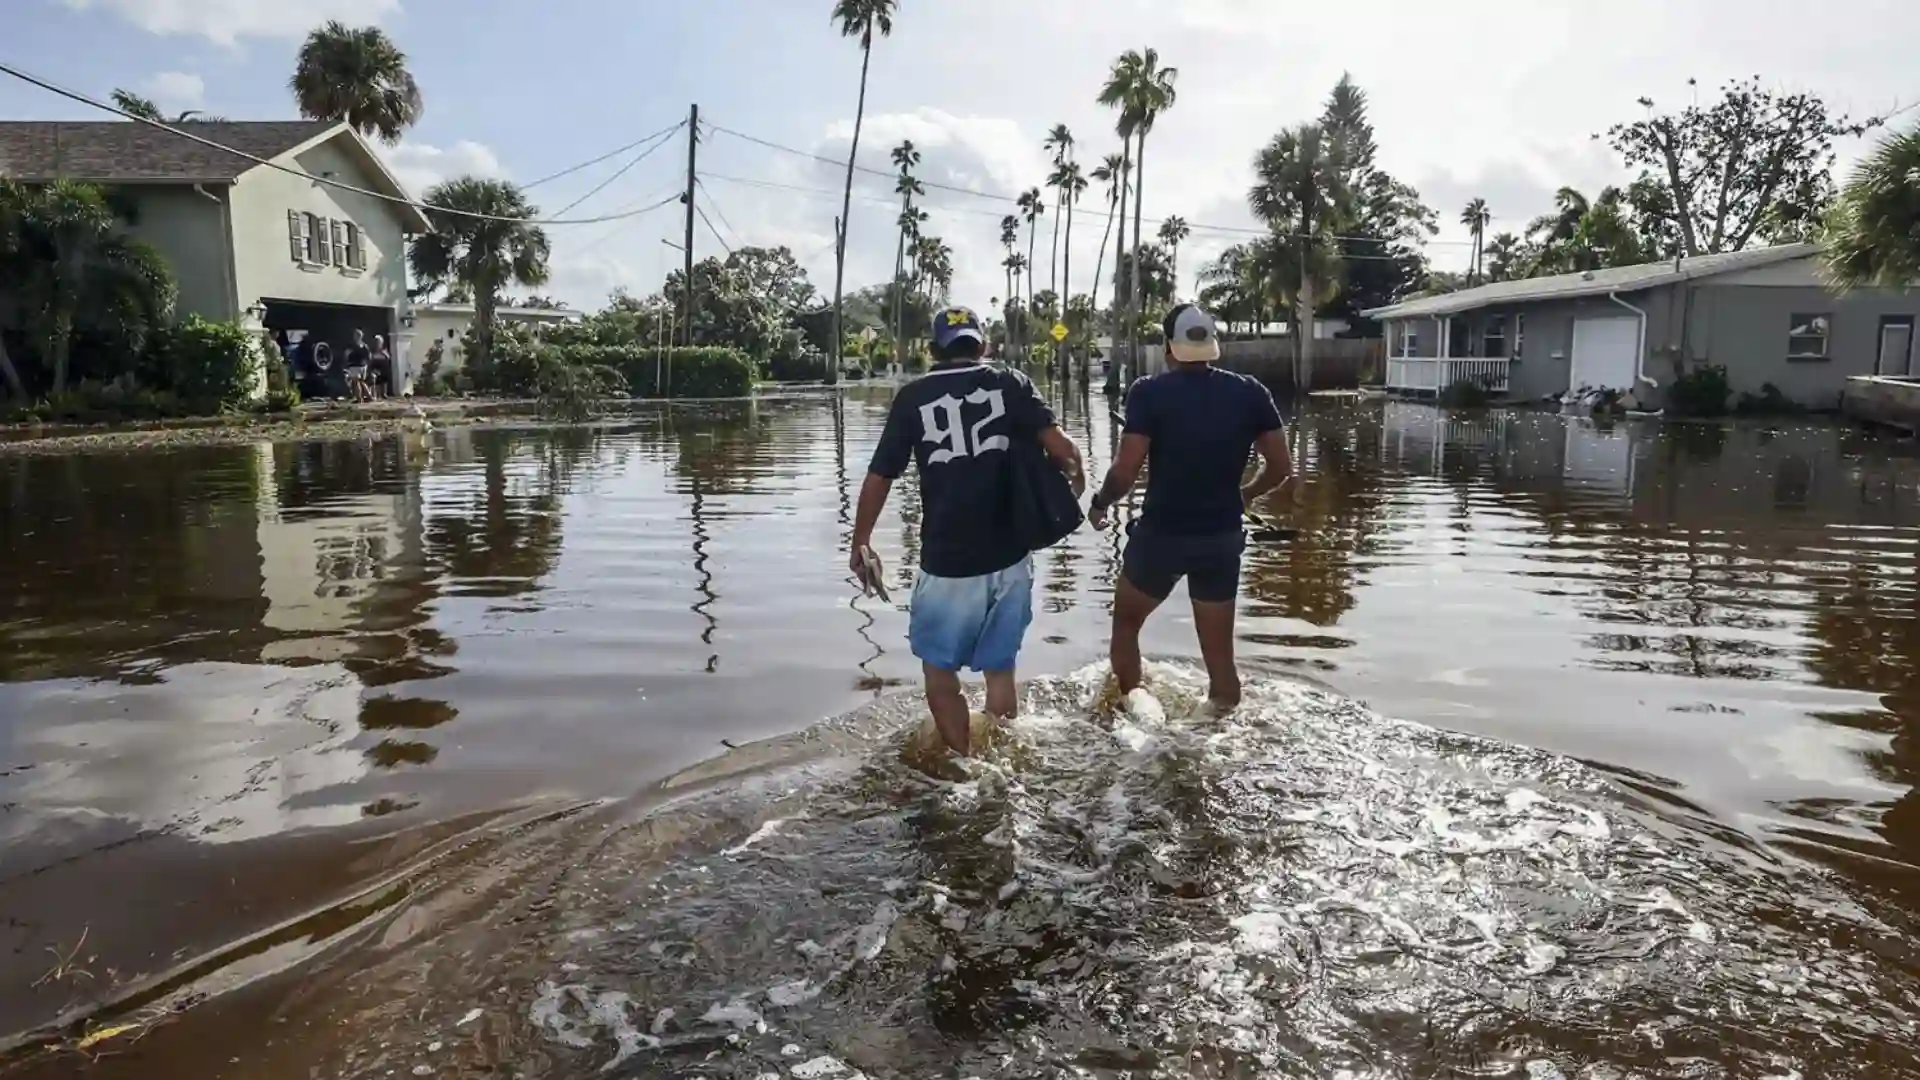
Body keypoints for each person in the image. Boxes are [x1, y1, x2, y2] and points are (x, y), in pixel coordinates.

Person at [850, 305, 1086, 756]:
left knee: (941, 676)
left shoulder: (913, 398)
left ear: (934, 350)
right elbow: (1067, 453)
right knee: (1000, 672)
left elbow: (881, 476)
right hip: (1010, 557)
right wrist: (1073, 493)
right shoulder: (1010, 383)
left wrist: (860, 541)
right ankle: (1001, 761)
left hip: (948, 561)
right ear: (984, 345)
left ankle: (963, 767)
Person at [1087, 303, 1296, 714]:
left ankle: (1137, 707)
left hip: (1162, 536)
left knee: (1126, 627)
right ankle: (1213, 725)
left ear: (1169, 347)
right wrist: (1246, 495)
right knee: (1221, 668)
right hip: (1220, 540)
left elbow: (1125, 470)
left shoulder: (1148, 392)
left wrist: (1100, 503)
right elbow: (1282, 468)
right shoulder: (1250, 392)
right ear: (1213, 344)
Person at [343, 329, 373, 403]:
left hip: (354, 365)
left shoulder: (352, 345)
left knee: (356, 382)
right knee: (361, 381)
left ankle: (359, 398)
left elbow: (346, 354)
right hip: (362, 366)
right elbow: (369, 356)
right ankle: (369, 396)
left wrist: (346, 362)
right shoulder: (364, 345)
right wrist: (366, 364)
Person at [370, 334, 392, 401]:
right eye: (376, 341)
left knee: (384, 380)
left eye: (378, 341)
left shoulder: (384, 350)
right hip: (376, 365)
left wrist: (383, 353)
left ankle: (384, 394)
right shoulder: (373, 350)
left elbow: (388, 358)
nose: (377, 343)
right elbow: (371, 358)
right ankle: (377, 394)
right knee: (377, 382)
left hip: (383, 366)